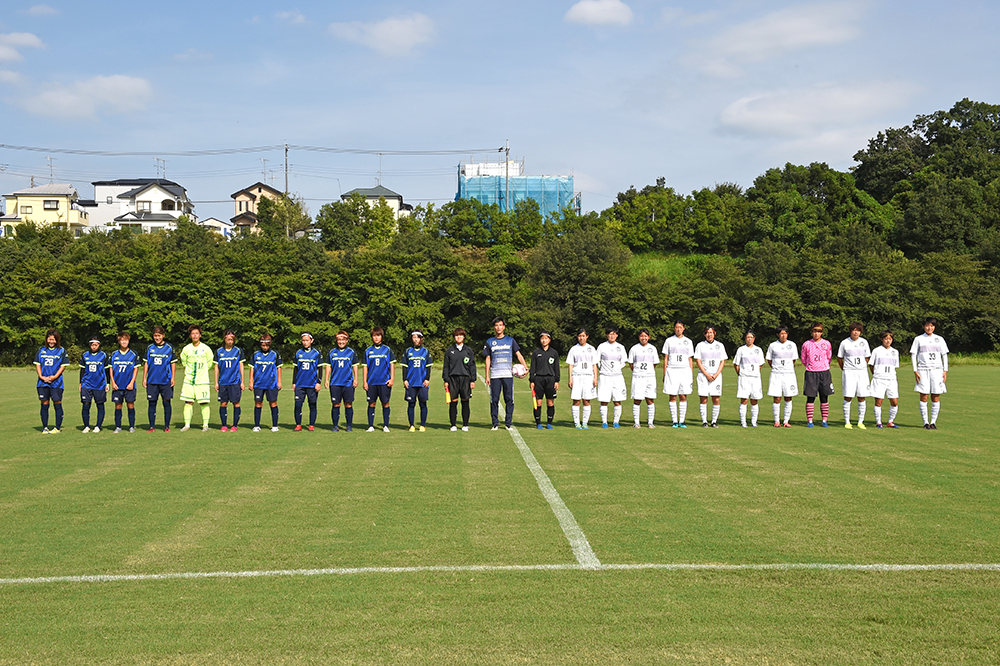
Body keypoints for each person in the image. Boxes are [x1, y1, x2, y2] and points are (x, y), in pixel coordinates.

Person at [483, 317, 528, 431]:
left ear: (504, 327)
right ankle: (495, 423)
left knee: (509, 399)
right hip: (495, 375)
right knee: (494, 400)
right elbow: (488, 358)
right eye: (496, 325)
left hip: (508, 375)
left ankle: (508, 423)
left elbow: (518, 354)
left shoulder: (510, 340)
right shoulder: (489, 342)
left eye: (500, 325)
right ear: (494, 327)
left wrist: (526, 368)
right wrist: (487, 375)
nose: (498, 327)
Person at [910, 317, 949, 429]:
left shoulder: (939, 339)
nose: (929, 328)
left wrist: (945, 370)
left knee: (936, 396)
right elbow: (913, 355)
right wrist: (915, 370)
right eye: (927, 325)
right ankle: (925, 422)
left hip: (937, 370)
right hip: (923, 369)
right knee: (924, 395)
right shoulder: (918, 339)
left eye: (932, 325)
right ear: (923, 326)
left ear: (934, 327)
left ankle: (933, 422)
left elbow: (944, 355)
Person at [179, 324, 215, 432]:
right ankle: (187, 425)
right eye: (192, 334)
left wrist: (202, 372)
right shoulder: (186, 349)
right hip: (189, 380)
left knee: (204, 402)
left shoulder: (206, 349)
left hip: (202, 380)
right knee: (188, 402)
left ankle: (205, 425)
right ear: (190, 335)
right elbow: (184, 362)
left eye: (196, 333)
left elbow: (210, 363)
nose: (195, 336)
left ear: (200, 335)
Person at [837, 322, 871, 429]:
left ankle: (860, 422)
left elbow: (867, 357)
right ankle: (847, 422)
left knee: (862, 397)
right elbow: (839, 358)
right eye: (854, 330)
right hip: (849, 372)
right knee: (848, 396)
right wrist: (845, 368)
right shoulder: (844, 343)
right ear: (850, 331)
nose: (856, 332)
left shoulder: (864, 342)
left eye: (858, 330)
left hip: (862, 372)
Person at [442, 328, 477, 432]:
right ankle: (453, 424)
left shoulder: (468, 350)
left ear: (464, 337)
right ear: (454, 337)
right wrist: (446, 379)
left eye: (461, 335)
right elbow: (446, 366)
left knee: (465, 402)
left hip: (465, 379)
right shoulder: (450, 350)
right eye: (457, 335)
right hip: (453, 379)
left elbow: (472, 366)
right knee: (453, 402)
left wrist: (472, 380)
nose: (459, 337)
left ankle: (465, 424)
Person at [143, 325, 177, 433]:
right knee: (152, 403)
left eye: (159, 335)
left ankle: (166, 426)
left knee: (166, 403)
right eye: (155, 336)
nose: (157, 338)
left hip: (165, 380)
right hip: (152, 381)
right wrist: (144, 378)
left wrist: (173, 377)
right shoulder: (150, 348)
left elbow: (173, 363)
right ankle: (151, 426)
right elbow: (146, 363)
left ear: (163, 335)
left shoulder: (169, 347)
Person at [661, 320, 694, 428]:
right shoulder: (669, 341)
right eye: (676, 327)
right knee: (672, 395)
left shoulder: (688, 341)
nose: (678, 329)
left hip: (685, 370)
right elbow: (666, 358)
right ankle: (674, 421)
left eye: (680, 327)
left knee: (683, 395)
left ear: (684, 328)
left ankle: (682, 421)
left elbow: (690, 359)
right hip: (672, 370)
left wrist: (691, 373)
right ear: (674, 328)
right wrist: (665, 373)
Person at [801, 323, 834, 428]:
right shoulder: (806, 344)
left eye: (819, 331)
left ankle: (824, 420)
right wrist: (810, 366)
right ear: (811, 332)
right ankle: (810, 421)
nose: (816, 333)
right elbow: (803, 359)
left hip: (824, 372)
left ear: (822, 332)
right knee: (810, 397)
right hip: (811, 373)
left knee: (824, 397)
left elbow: (829, 356)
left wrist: (823, 365)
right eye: (815, 331)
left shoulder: (827, 343)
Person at [35, 329, 68, 434]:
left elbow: (63, 366)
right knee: (44, 403)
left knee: (57, 403)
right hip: (42, 382)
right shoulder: (41, 350)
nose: (51, 341)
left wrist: (54, 377)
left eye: (53, 339)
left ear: (57, 340)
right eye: (49, 339)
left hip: (56, 383)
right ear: (46, 339)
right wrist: (41, 376)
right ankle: (45, 427)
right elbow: (37, 364)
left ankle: (57, 428)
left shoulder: (61, 350)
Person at [325, 330, 359, 432]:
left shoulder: (351, 352)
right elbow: (328, 366)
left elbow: (355, 366)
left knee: (348, 404)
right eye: (339, 340)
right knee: (336, 404)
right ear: (336, 340)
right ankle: (335, 425)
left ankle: (349, 426)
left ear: (347, 340)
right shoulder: (331, 352)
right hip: (335, 383)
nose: (341, 342)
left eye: (343, 340)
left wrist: (356, 379)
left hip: (348, 383)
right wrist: (326, 379)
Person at [694, 325, 728, 427]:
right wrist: (706, 374)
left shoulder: (720, 345)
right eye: (707, 333)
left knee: (716, 398)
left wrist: (716, 374)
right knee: (703, 398)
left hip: (716, 376)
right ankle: (704, 421)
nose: (709, 335)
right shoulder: (700, 345)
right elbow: (698, 361)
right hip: (704, 375)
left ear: (714, 333)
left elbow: (722, 361)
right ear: (705, 334)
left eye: (711, 332)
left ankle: (714, 421)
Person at [363, 327, 395, 432]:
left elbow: (392, 364)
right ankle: (371, 426)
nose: (376, 338)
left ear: (381, 336)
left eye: (378, 335)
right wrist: (365, 381)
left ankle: (386, 425)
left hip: (384, 381)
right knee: (371, 403)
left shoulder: (387, 349)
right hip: (372, 382)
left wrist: (392, 379)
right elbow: (365, 367)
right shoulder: (368, 350)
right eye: (374, 336)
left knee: (385, 403)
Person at [566, 328, 599, 429]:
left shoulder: (592, 349)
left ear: (587, 337)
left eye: (583, 336)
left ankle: (585, 422)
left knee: (586, 400)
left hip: (589, 376)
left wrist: (595, 378)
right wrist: (570, 378)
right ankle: (577, 423)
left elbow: (594, 365)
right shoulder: (573, 349)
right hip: (577, 376)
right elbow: (571, 365)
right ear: (577, 337)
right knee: (576, 400)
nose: (581, 338)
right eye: (580, 336)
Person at [292, 332, 325, 432]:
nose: (305, 342)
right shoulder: (298, 353)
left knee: (312, 404)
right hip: (300, 384)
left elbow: (320, 369)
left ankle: (311, 425)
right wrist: (294, 382)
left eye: (307, 340)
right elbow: (295, 369)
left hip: (312, 384)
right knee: (298, 404)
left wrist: (319, 382)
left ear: (311, 340)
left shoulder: (317, 352)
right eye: (303, 340)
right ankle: (298, 425)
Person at [765, 326, 798, 427]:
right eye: (782, 333)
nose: (784, 335)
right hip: (776, 374)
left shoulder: (792, 345)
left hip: (789, 374)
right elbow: (769, 360)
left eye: (785, 333)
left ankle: (786, 421)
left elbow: (793, 359)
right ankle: (776, 421)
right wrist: (777, 368)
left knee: (788, 397)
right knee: (777, 398)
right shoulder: (773, 345)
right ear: (778, 334)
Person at [248, 333, 282, 432]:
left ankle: (275, 425)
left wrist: (279, 381)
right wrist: (251, 382)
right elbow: (252, 368)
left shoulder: (275, 354)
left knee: (273, 403)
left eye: (267, 345)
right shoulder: (256, 354)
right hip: (258, 383)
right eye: (263, 345)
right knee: (258, 404)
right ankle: (257, 425)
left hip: (271, 383)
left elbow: (279, 368)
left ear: (270, 344)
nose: (265, 347)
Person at [627, 328, 659, 428]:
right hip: (638, 377)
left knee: (650, 399)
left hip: (650, 377)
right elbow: (631, 364)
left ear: (648, 337)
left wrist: (647, 372)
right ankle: (637, 423)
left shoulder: (652, 348)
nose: (643, 338)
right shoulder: (634, 348)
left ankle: (650, 422)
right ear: (639, 337)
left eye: (645, 336)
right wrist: (638, 372)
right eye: (641, 336)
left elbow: (654, 364)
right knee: (637, 399)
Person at [596, 327, 627, 429]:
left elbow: (623, 362)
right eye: (610, 334)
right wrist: (603, 369)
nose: (612, 336)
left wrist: (616, 369)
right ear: (606, 335)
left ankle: (616, 421)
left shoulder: (621, 347)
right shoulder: (601, 346)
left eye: (614, 334)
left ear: (617, 335)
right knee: (604, 400)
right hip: (605, 376)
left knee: (617, 400)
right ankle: (604, 422)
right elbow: (597, 361)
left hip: (617, 376)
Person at [214, 330, 245, 432]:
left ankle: (235, 425)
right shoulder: (219, 351)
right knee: (223, 403)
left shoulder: (238, 351)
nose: (230, 341)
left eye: (232, 340)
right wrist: (216, 382)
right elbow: (216, 367)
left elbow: (241, 366)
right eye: (228, 339)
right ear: (224, 339)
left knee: (236, 403)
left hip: (235, 382)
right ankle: (224, 425)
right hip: (223, 382)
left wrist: (242, 382)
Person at [732, 331, 765, 427]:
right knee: (744, 400)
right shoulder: (741, 350)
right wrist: (741, 374)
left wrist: (754, 372)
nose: (749, 339)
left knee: (754, 399)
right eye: (747, 337)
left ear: (754, 338)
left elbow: (761, 364)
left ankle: (754, 422)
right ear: (745, 338)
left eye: (751, 337)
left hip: (755, 378)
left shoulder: (758, 350)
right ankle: (743, 422)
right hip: (744, 378)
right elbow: (736, 364)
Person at [869, 330, 900, 429]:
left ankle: (891, 421)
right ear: (882, 339)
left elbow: (895, 366)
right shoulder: (876, 351)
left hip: (891, 379)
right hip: (879, 379)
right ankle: (879, 422)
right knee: (879, 402)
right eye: (886, 339)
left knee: (894, 402)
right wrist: (877, 374)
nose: (888, 341)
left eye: (890, 339)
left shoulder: (895, 352)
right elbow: (871, 365)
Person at [109, 331, 140, 433]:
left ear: (128, 341)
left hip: (129, 386)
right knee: (118, 406)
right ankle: (118, 426)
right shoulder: (114, 354)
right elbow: (110, 369)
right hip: (118, 385)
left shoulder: (133, 354)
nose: (124, 342)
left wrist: (132, 382)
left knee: (130, 405)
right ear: (119, 341)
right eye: (122, 340)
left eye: (125, 340)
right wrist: (113, 382)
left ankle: (131, 426)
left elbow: (136, 369)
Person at [529, 331, 560, 429]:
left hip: (550, 379)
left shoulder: (554, 353)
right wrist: (532, 381)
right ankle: (538, 423)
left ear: (549, 340)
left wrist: (557, 380)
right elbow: (532, 367)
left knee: (550, 402)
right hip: (539, 379)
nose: (544, 340)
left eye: (546, 338)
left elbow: (557, 368)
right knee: (538, 402)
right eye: (542, 338)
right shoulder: (536, 352)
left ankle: (549, 423)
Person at [402, 330, 432, 432]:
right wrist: (405, 379)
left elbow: (428, 367)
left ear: (421, 339)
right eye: (414, 337)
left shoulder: (426, 351)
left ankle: (422, 425)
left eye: (417, 337)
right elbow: (404, 367)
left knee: (423, 404)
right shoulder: (408, 351)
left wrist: (427, 379)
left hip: (422, 382)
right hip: (411, 383)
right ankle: (411, 425)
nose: (416, 339)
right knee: (411, 404)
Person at [79, 336, 109, 433]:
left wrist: (108, 383)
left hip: (99, 384)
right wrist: (80, 383)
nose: (94, 346)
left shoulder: (104, 355)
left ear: (99, 345)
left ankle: (98, 426)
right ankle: (86, 426)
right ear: (90, 345)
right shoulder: (85, 355)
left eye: (96, 345)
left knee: (100, 405)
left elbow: (107, 370)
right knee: (86, 405)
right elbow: (82, 370)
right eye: (92, 345)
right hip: (87, 384)